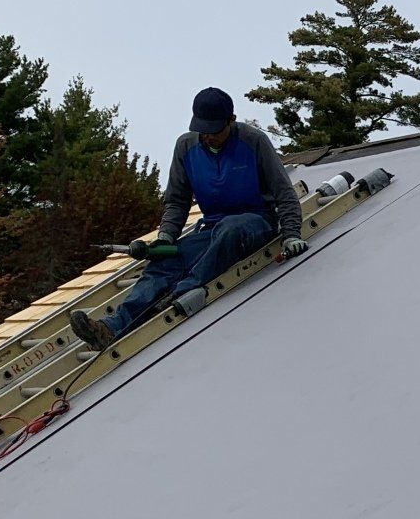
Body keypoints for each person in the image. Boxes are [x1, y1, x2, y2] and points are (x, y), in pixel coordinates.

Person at [69, 87, 307, 349]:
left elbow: (284, 192)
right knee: (166, 261)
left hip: (255, 222)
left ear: (231, 120)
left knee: (230, 228)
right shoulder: (186, 146)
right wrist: (166, 236)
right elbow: (177, 201)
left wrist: (292, 234)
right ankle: (111, 327)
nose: (208, 137)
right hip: (212, 226)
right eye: (203, 131)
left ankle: (182, 289)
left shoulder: (253, 141)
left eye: (214, 131)